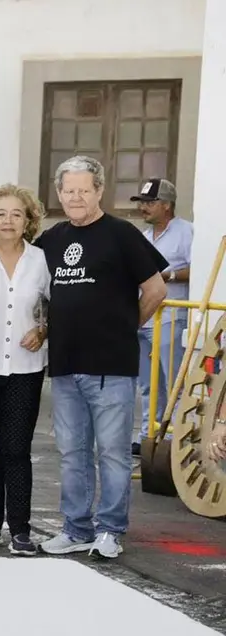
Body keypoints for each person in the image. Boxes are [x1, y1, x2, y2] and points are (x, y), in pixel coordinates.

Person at [37, 156, 167, 560]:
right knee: (73, 453)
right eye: (68, 190)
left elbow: (156, 289)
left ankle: (110, 530)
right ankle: (76, 529)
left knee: (111, 453)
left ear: (98, 191)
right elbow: (37, 293)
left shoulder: (122, 234)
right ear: (59, 194)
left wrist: (127, 325)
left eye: (83, 190)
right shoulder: (51, 239)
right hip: (65, 365)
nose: (75, 197)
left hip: (111, 366)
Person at [0, 185, 50, 557]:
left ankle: (20, 529)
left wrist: (44, 330)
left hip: (25, 368)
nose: (8, 220)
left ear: (28, 220)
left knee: (17, 449)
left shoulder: (41, 260)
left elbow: (51, 306)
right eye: (0, 213)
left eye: (16, 214)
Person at [131, 178, 193, 454]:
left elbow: (197, 268)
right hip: (146, 318)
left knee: (173, 381)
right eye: (142, 202)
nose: (143, 207)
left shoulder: (186, 232)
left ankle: (173, 440)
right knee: (148, 384)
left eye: (149, 202)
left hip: (171, 317)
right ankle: (149, 437)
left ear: (166, 205)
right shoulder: (144, 238)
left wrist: (167, 275)